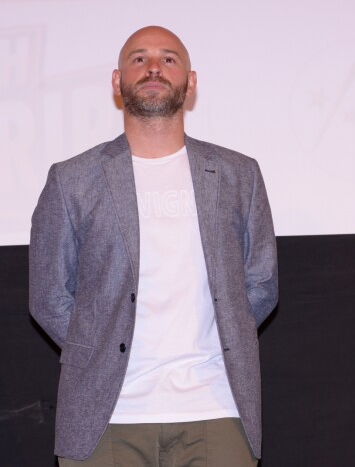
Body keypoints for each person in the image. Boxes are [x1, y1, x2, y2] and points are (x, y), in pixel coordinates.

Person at [29, 26, 278, 466]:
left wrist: (225, 334)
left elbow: (260, 285)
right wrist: (99, 345)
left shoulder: (240, 175)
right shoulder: (72, 180)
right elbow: (48, 297)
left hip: (217, 412)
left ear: (191, 81)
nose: (154, 68)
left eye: (169, 58)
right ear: (116, 80)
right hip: (105, 418)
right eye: (139, 58)